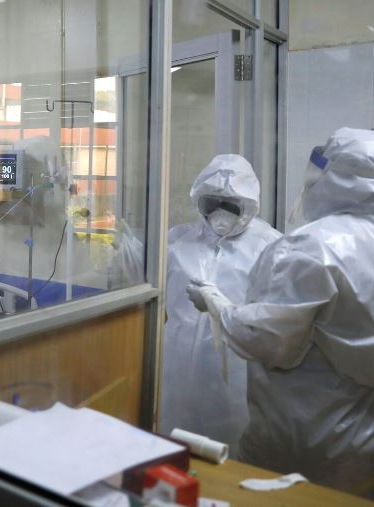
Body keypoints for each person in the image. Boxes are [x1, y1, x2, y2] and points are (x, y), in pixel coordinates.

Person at [188, 127, 374, 498]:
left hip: (305, 436)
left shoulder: (310, 248)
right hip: (362, 433)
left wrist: (216, 302)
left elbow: (267, 341)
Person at [159, 154, 280, 458]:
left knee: (231, 438)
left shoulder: (271, 246)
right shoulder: (178, 239)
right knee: (175, 433)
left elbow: (272, 319)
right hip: (177, 360)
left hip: (235, 365)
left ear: (249, 204)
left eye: (231, 203)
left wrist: (218, 306)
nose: (219, 212)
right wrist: (130, 251)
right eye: (211, 202)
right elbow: (151, 287)